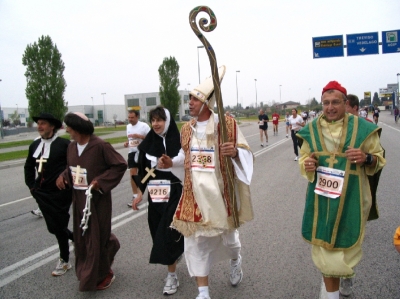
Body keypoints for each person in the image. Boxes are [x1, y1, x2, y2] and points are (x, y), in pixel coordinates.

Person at [162, 66, 254, 299]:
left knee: (230, 240)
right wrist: (170, 162)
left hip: (221, 196)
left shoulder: (227, 125)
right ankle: (203, 292)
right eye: (190, 98)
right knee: (195, 244)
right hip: (194, 197)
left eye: (195, 99)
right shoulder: (187, 130)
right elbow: (185, 158)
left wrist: (234, 152)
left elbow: (245, 154)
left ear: (207, 103)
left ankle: (236, 260)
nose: (190, 102)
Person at [297, 81, 386, 299]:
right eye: (326, 103)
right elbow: (304, 159)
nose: (330, 107)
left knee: (344, 247)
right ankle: (332, 293)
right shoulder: (311, 130)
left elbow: (379, 159)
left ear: (346, 104)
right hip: (322, 199)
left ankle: (344, 275)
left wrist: (366, 158)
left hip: (353, 196)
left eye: (335, 102)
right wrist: (307, 164)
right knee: (327, 251)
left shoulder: (363, 129)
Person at [56, 112, 127, 291]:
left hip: (97, 200)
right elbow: (72, 168)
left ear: (78, 128)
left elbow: (119, 165)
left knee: (98, 237)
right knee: (82, 237)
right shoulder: (71, 147)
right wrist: (64, 176)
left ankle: (104, 273)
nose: (67, 130)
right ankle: (89, 272)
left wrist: (100, 182)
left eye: (69, 127)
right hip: (79, 199)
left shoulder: (101, 146)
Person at [131, 106, 184, 295]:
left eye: (159, 120)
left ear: (167, 121)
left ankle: (171, 276)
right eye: (153, 120)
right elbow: (144, 171)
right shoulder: (148, 145)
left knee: (167, 233)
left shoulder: (179, 141)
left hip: (176, 191)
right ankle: (174, 255)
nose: (155, 124)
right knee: (157, 230)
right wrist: (139, 193)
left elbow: (187, 164)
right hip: (156, 195)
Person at [24, 112, 73, 276]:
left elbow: (74, 164)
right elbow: (28, 166)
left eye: (43, 123)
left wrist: (64, 175)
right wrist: (31, 186)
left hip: (61, 193)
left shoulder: (64, 144)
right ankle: (76, 239)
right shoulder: (34, 145)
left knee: (58, 226)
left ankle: (65, 261)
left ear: (52, 126)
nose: (39, 126)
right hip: (41, 192)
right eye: (38, 123)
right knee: (54, 227)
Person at [123, 110, 150, 207]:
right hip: (132, 152)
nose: (130, 119)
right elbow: (130, 139)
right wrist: (127, 143)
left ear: (137, 117)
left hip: (143, 152)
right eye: (129, 117)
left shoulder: (144, 126)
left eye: (132, 117)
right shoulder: (128, 127)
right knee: (132, 174)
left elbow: (151, 138)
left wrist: (140, 136)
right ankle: (135, 195)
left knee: (145, 173)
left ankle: (144, 192)